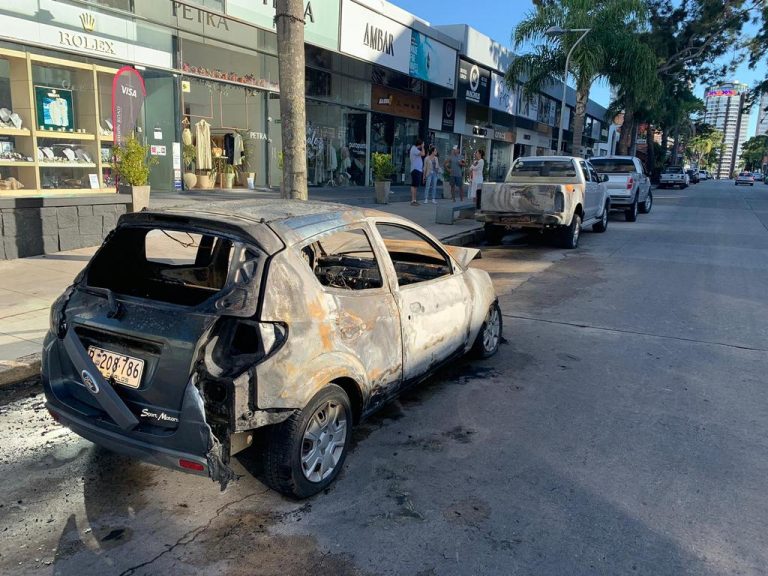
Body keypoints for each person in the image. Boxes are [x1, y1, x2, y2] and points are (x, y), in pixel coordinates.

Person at [409, 138, 425, 205]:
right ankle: (413, 200)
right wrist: (423, 147)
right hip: (415, 169)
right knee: (414, 185)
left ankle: (414, 200)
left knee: (415, 186)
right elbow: (423, 154)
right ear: (420, 144)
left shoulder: (415, 149)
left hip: (417, 170)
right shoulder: (414, 149)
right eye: (422, 144)